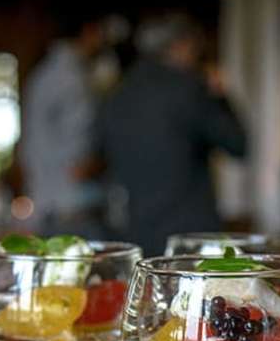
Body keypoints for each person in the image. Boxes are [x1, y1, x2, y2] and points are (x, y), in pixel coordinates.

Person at [96, 14, 247, 256]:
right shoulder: (189, 87)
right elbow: (238, 145)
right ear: (181, 45)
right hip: (190, 235)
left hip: (134, 230)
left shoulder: (118, 92)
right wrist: (220, 94)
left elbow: (100, 154)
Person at [20, 7, 106, 236]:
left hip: (46, 204)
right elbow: (80, 158)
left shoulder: (42, 74)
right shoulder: (74, 79)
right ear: (89, 32)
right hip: (75, 208)